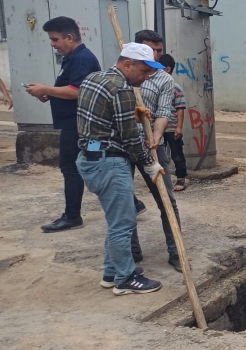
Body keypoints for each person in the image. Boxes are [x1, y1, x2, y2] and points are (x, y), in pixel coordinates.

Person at [76, 43, 165, 295]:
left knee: (116, 219)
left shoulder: (94, 79)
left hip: (90, 156)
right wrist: (150, 164)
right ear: (128, 64)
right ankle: (124, 279)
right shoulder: (122, 89)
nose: (146, 77)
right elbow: (130, 139)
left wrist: (131, 115)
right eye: (144, 71)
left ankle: (111, 271)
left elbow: (99, 118)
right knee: (123, 223)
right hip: (110, 161)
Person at [25, 16, 100, 232]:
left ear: (69, 37)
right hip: (79, 125)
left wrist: (46, 90)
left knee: (71, 166)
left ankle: (72, 217)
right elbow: (69, 89)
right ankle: (134, 204)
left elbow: (77, 91)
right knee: (93, 164)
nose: (53, 44)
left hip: (77, 126)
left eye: (55, 39)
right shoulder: (72, 58)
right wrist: (48, 94)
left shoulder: (82, 59)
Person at [130, 30, 182, 272]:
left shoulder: (164, 78)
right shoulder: (125, 73)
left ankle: (176, 252)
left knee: (166, 199)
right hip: (123, 147)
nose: (157, 55)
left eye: (160, 50)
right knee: (123, 201)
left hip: (152, 146)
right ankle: (132, 251)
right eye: (152, 50)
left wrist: (157, 136)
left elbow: (163, 112)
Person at [158, 54, 188, 190]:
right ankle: (160, 179)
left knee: (177, 154)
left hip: (171, 127)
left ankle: (181, 178)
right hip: (159, 128)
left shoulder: (176, 88)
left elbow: (180, 109)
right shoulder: (156, 86)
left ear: (167, 69)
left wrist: (179, 127)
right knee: (159, 154)